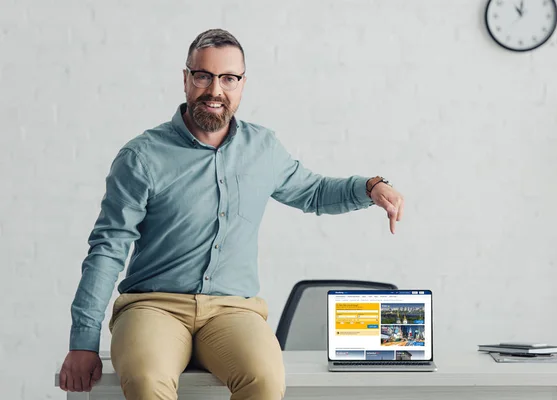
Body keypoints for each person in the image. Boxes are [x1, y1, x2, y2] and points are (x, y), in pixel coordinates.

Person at [59, 28, 404, 400]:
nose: (215, 90)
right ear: (186, 79)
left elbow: (314, 192)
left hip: (232, 310)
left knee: (265, 380)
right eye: (203, 76)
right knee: (146, 380)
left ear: (242, 83)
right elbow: (108, 249)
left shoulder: (263, 148)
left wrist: (371, 186)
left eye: (228, 78)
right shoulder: (142, 157)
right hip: (153, 307)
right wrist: (83, 340)